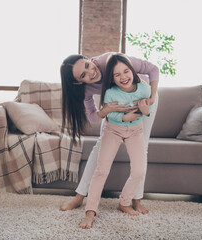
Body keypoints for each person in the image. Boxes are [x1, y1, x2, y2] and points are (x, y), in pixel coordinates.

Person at [60, 52, 159, 214]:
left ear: (90, 59)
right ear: (78, 82)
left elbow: (153, 69)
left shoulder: (111, 60)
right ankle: (79, 197)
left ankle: (136, 199)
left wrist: (151, 99)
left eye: (87, 65)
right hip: (116, 106)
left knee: (143, 148)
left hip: (143, 99)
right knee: (100, 147)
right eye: (83, 75)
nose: (90, 72)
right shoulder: (86, 89)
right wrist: (106, 110)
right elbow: (93, 117)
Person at [79, 53, 152, 229]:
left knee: (139, 171)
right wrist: (124, 117)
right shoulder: (110, 93)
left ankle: (124, 202)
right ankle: (90, 211)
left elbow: (146, 110)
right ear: (112, 78)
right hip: (112, 130)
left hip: (136, 131)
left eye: (126, 71)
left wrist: (145, 111)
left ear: (133, 71)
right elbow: (109, 114)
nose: (123, 77)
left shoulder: (144, 88)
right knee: (101, 170)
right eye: (117, 75)